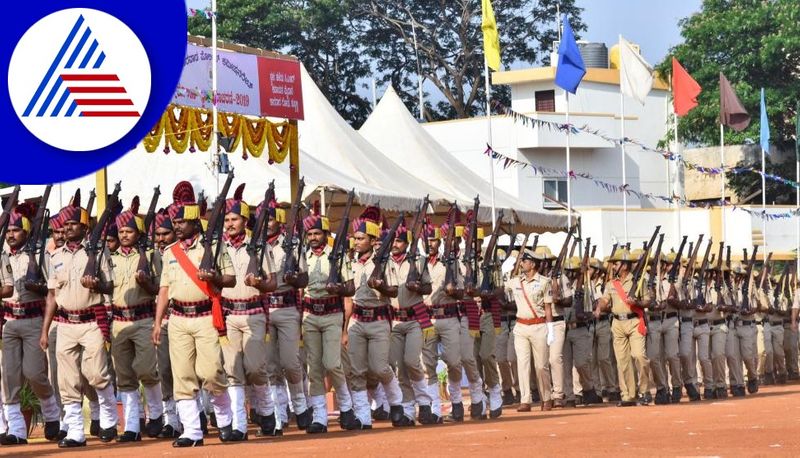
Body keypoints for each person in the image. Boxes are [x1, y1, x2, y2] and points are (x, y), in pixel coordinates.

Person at [151, 181, 235, 447]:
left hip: (205, 317)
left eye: (181, 222)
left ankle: (224, 419)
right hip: (178, 319)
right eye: (174, 222)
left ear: (195, 223)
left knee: (211, 372)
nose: (176, 226)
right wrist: (157, 322)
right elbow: (164, 288)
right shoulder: (170, 252)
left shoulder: (213, 246)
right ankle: (191, 431)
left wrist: (216, 277)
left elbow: (231, 279)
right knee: (183, 376)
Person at [40, 192, 119, 447]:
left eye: (73, 224)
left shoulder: (98, 251)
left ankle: (108, 417)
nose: (67, 228)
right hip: (65, 324)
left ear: (84, 227)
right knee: (67, 380)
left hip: (91, 321)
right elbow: (52, 295)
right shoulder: (56, 256)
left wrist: (97, 284)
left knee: (97, 374)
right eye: (65, 225)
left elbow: (111, 286)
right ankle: (75, 430)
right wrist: (45, 330)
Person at [220, 185, 280, 440]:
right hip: (228, 315)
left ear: (245, 221)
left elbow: (273, 283)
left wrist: (259, 284)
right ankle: (239, 425)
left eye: (234, 219)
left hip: (254, 312)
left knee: (255, 368)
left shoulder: (258, 246)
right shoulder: (218, 246)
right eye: (226, 219)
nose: (230, 224)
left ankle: (266, 412)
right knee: (233, 370)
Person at [2, 204, 61, 444]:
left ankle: (51, 411)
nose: (10, 235)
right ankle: (16, 429)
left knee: (35, 373)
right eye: (8, 231)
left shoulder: (38, 253)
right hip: (10, 321)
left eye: (16, 230)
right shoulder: (3, 253)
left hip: (33, 320)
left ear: (26, 231)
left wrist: (36, 287)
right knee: (9, 377)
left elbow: (51, 290)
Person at [109, 199, 165, 441]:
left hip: (143, 319)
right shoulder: (110, 257)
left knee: (146, 370)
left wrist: (147, 283)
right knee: (124, 376)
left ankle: (156, 415)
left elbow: (162, 288)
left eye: (129, 231)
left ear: (138, 232)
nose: (123, 235)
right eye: (120, 231)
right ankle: (131, 426)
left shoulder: (151, 255)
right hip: (119, 321)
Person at [345, 207, 404, 428]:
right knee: (357, 370)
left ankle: (396, 403)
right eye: (355, 238)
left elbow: (394, 292)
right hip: (357, 321)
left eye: (361, 238)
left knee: (380, 367)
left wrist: (382, 286)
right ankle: (362, 414)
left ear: (372, 240)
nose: (356, 242)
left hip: (379, 320)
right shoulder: (351, 261)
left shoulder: (384, 261)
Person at [301, 211, 358, 432]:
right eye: (310, 234)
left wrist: (338, 288)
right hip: (310, 315)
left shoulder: (338, 255)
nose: (313, 237)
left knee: (333, 363)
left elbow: (350, 288)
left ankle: (346, 408)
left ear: (325, 234)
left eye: (317, 233)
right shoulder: (302, 255)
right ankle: (319, 417)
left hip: (332, 314)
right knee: (313, 367)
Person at [262, 199, 311, 430]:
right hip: (263, 309)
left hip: (287, 308)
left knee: (291, 362)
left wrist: (294, 278)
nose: (267, 223)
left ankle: (300, 405)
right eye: (264, 218)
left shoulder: (291, 243)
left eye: (270, 218)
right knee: (270, 366)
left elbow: (304, 278)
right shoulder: (256, 244)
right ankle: (279, 415)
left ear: (278, 219)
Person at [387, 219, 433, 426]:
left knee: (412, 362)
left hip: (414, 319)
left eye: (399, 241)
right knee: (398, 367)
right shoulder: (384, 262)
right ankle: (407, 409)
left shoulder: (419, 261)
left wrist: (417, 287)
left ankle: (424, 403)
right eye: (393, 240)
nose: (395, 244)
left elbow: (428, 289)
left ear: (406, 243)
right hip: (394, 321)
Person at [595, 249, 651, 407]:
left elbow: (647, 301)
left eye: (616, 263)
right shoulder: (611, 284)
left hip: (634, 322)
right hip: (617, 323)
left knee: (639, 356)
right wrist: (600, 307)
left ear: (625, 265)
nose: (613, 267)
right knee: (622, 362)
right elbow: (605, 300)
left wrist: (637, 303)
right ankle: (628, 395)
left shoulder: (638, 281)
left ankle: (644, 390)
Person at [421, 223, 464, 423]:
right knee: (427, 364)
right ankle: (435, 409)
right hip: (427, 318)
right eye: (427, 239)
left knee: (454, 361)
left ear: (439, 242)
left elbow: (462, 292)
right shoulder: (419, 263)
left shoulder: (451, 262)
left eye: (434, 240)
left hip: (448, 316)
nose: (430, 244)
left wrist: (452, 290)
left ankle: (456, 401)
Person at [507, 247, 554, 412]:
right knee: (523, 364)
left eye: (524, 261)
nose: (522, 264)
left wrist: (551, 330)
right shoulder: (516, 281)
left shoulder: (544, 282)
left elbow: (548, 307)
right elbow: (501, 289)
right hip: (521, 326)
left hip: (539, 325)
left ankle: (546, 397)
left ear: (533, 264)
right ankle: (525, 399)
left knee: (541, 366)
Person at [150, 209, 183, 437]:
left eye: (166, 234)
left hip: (184, 316)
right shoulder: (150, 256)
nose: (161, 239)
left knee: (187, 370)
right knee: (164, 370)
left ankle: (196, 413)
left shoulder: (182, 253)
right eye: (158, 235)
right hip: (163, 318)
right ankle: (171, 420)